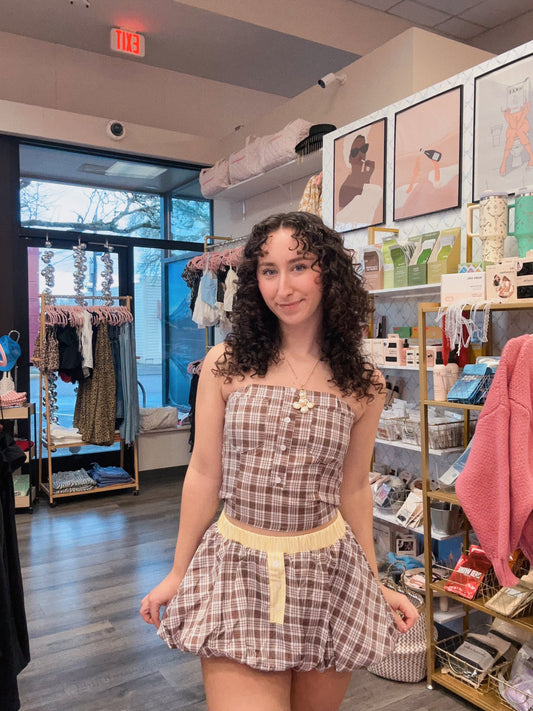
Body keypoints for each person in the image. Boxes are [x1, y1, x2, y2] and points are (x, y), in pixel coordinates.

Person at [140, 212, 419, 711]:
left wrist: (375, 581)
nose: (283, 287)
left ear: (328, 274)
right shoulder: (225, 363)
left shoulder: (365, 383)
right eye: (269, 270)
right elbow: (204, 473)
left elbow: (353, 490)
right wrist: (179, 572)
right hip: (238, 569)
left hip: (329, 573)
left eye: (299, 266)